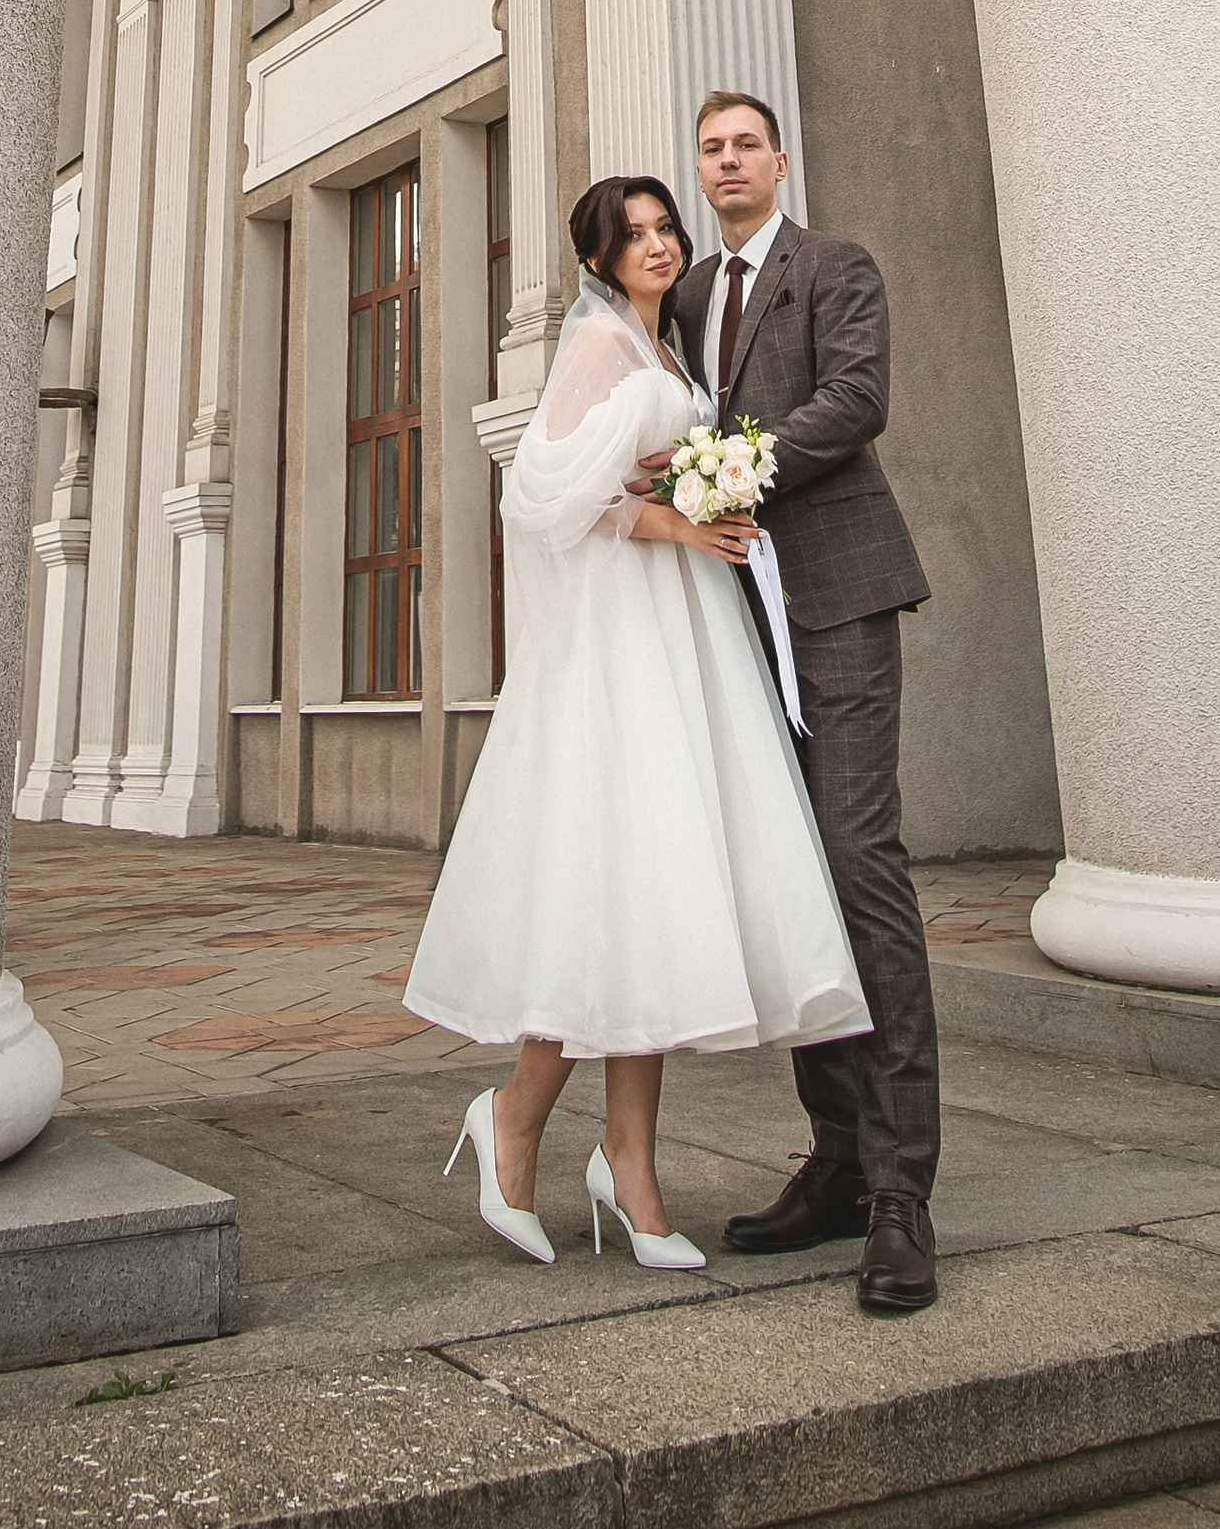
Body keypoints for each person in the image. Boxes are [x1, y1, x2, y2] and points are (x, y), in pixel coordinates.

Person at [402, 171, 868, 1272]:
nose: (658, 245)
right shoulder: (599, 347)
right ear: (599, 259)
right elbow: (540, 496)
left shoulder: (670, 347)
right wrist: (671, 519)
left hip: (684, 631)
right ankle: (516, 1120)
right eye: (634, 235)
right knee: (607, 881)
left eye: (665, 228)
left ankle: (627, 1160)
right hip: (622, 640)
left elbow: (641, 474)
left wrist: (701, 492)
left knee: (655, 893)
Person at [653, 90, 941, 1317]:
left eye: (743, 146)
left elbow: (857, 398)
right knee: (790, 874)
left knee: (859, 863)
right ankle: (834, 1158)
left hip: (836, 596)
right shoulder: (684, 297)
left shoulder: (834, 267)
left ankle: (900, 1192)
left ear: (779, 161)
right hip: (735, 617)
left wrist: (735, 467)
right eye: (709, 149)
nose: (727, 162)